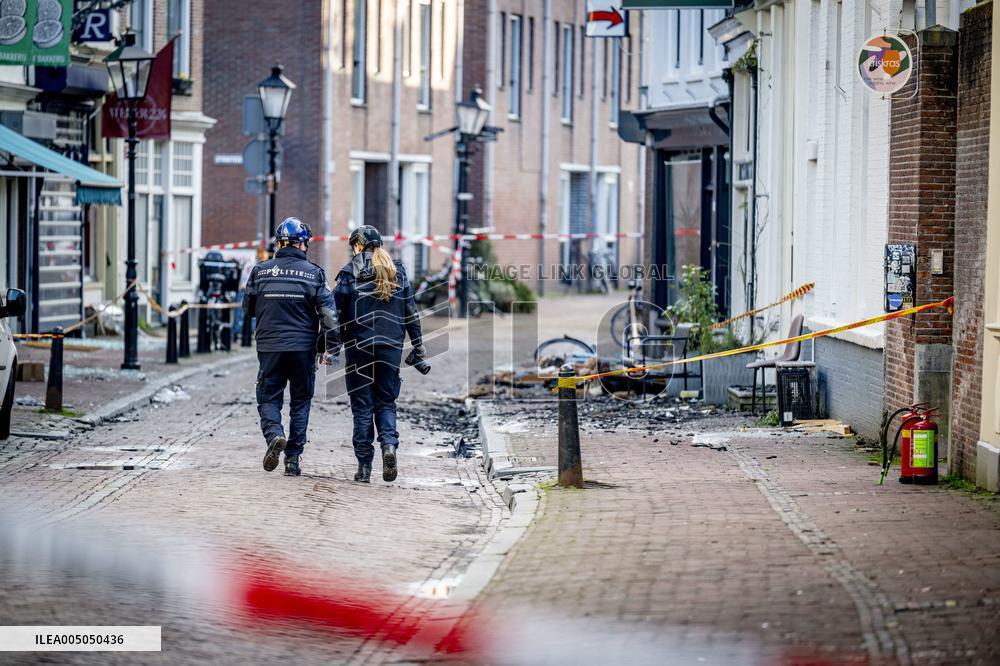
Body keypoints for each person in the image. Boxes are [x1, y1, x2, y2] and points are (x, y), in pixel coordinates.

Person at [243, 218, 341, 476]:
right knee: (300, 401)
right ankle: (293, 460)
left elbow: (248, 309)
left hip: (270, 346)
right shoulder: (314, 273)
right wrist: (331, 348)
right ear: (302, 244)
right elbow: (330, 317)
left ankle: (275, 434)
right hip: (302, 349)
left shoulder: (260, 271)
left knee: (268, 396)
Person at [333, 225, 425, 483]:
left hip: (358, 348)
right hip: (391, 348)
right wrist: (418, 345)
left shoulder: (349, 273)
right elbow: (411, 312)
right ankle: (389, 446)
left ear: (359, 246)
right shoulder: (399, 273)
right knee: (385, 403)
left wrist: (330, 346)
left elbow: (335, 315)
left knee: (362, 406)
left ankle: (364, 469)